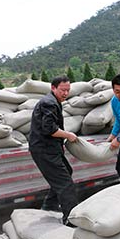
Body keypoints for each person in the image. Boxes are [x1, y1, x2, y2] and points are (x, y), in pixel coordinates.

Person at [29, 75, 78, 226]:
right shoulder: (49, 103)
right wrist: (68, 135)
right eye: (62, 90)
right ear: (53, 88)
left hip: (49, 148)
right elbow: (49, 129)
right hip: (44, 149)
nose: (65, 93)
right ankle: (71, 219)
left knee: (66, 172)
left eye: (68, 90)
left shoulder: (53, 101)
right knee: (65, 183)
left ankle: (49, 206)